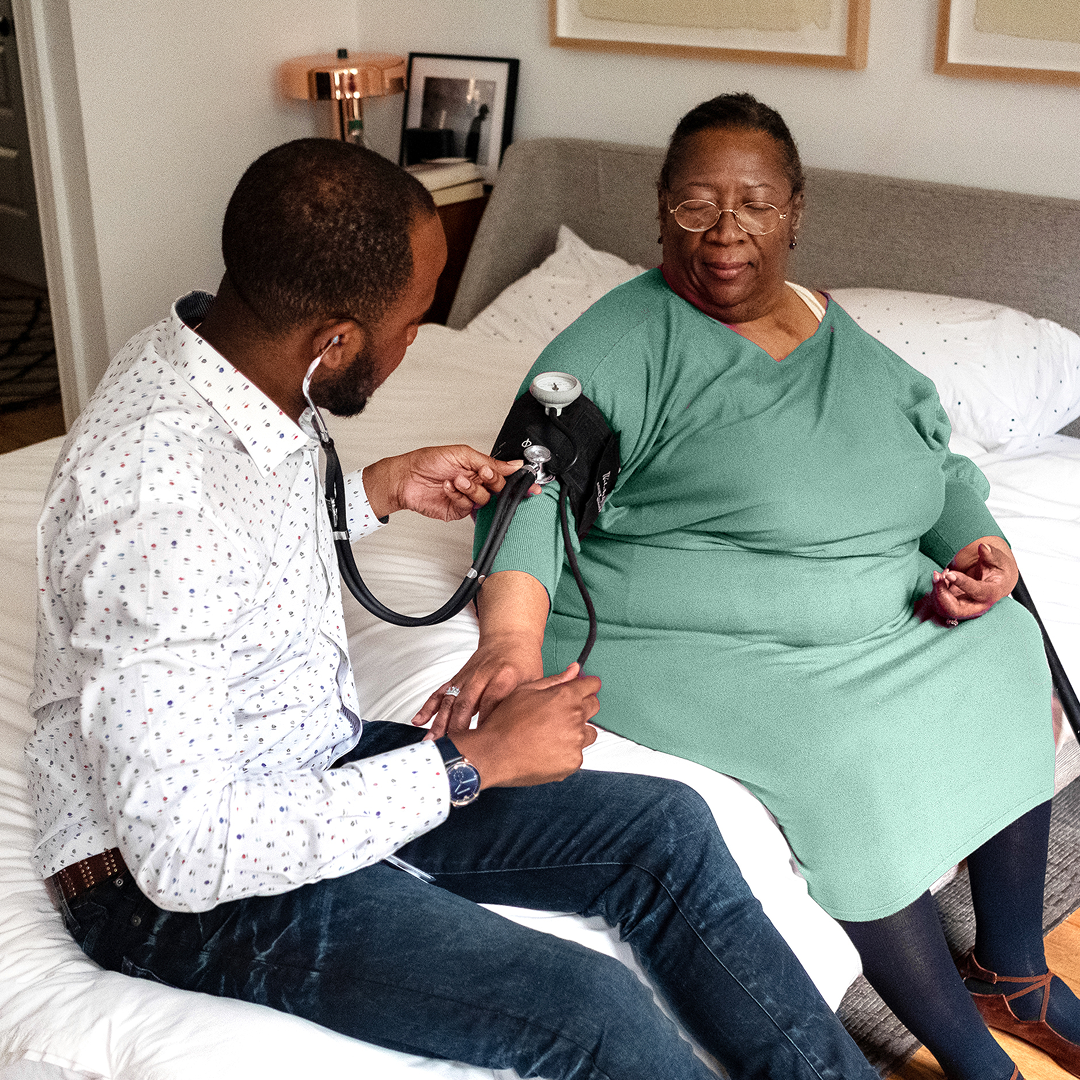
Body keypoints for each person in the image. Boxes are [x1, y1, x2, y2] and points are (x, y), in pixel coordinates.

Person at [25, 137, 882, 1080]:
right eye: (413, 321)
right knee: (590, 1009)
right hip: (173, 886)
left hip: (299, 759)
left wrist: (370, 493)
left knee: (664, 830)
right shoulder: (153, 505)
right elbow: (184, 856)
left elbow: (229, 552)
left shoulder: (220, 358)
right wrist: (474, 763)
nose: (416, 344)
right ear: (334, 343)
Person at [415, 95, 1080, 1080]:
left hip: (881, 607)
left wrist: (984, 547)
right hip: (695, 636)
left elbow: (933, 463)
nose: (725, 233)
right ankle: (971, 1054)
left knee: (1010, 647)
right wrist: (509, 643)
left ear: (796, 212)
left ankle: (1011, 966)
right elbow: (531, 492)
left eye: (754, 205)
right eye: (695, 207)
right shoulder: (614, 343)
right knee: (848, 764)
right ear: (659, 212)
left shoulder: (828, 322)